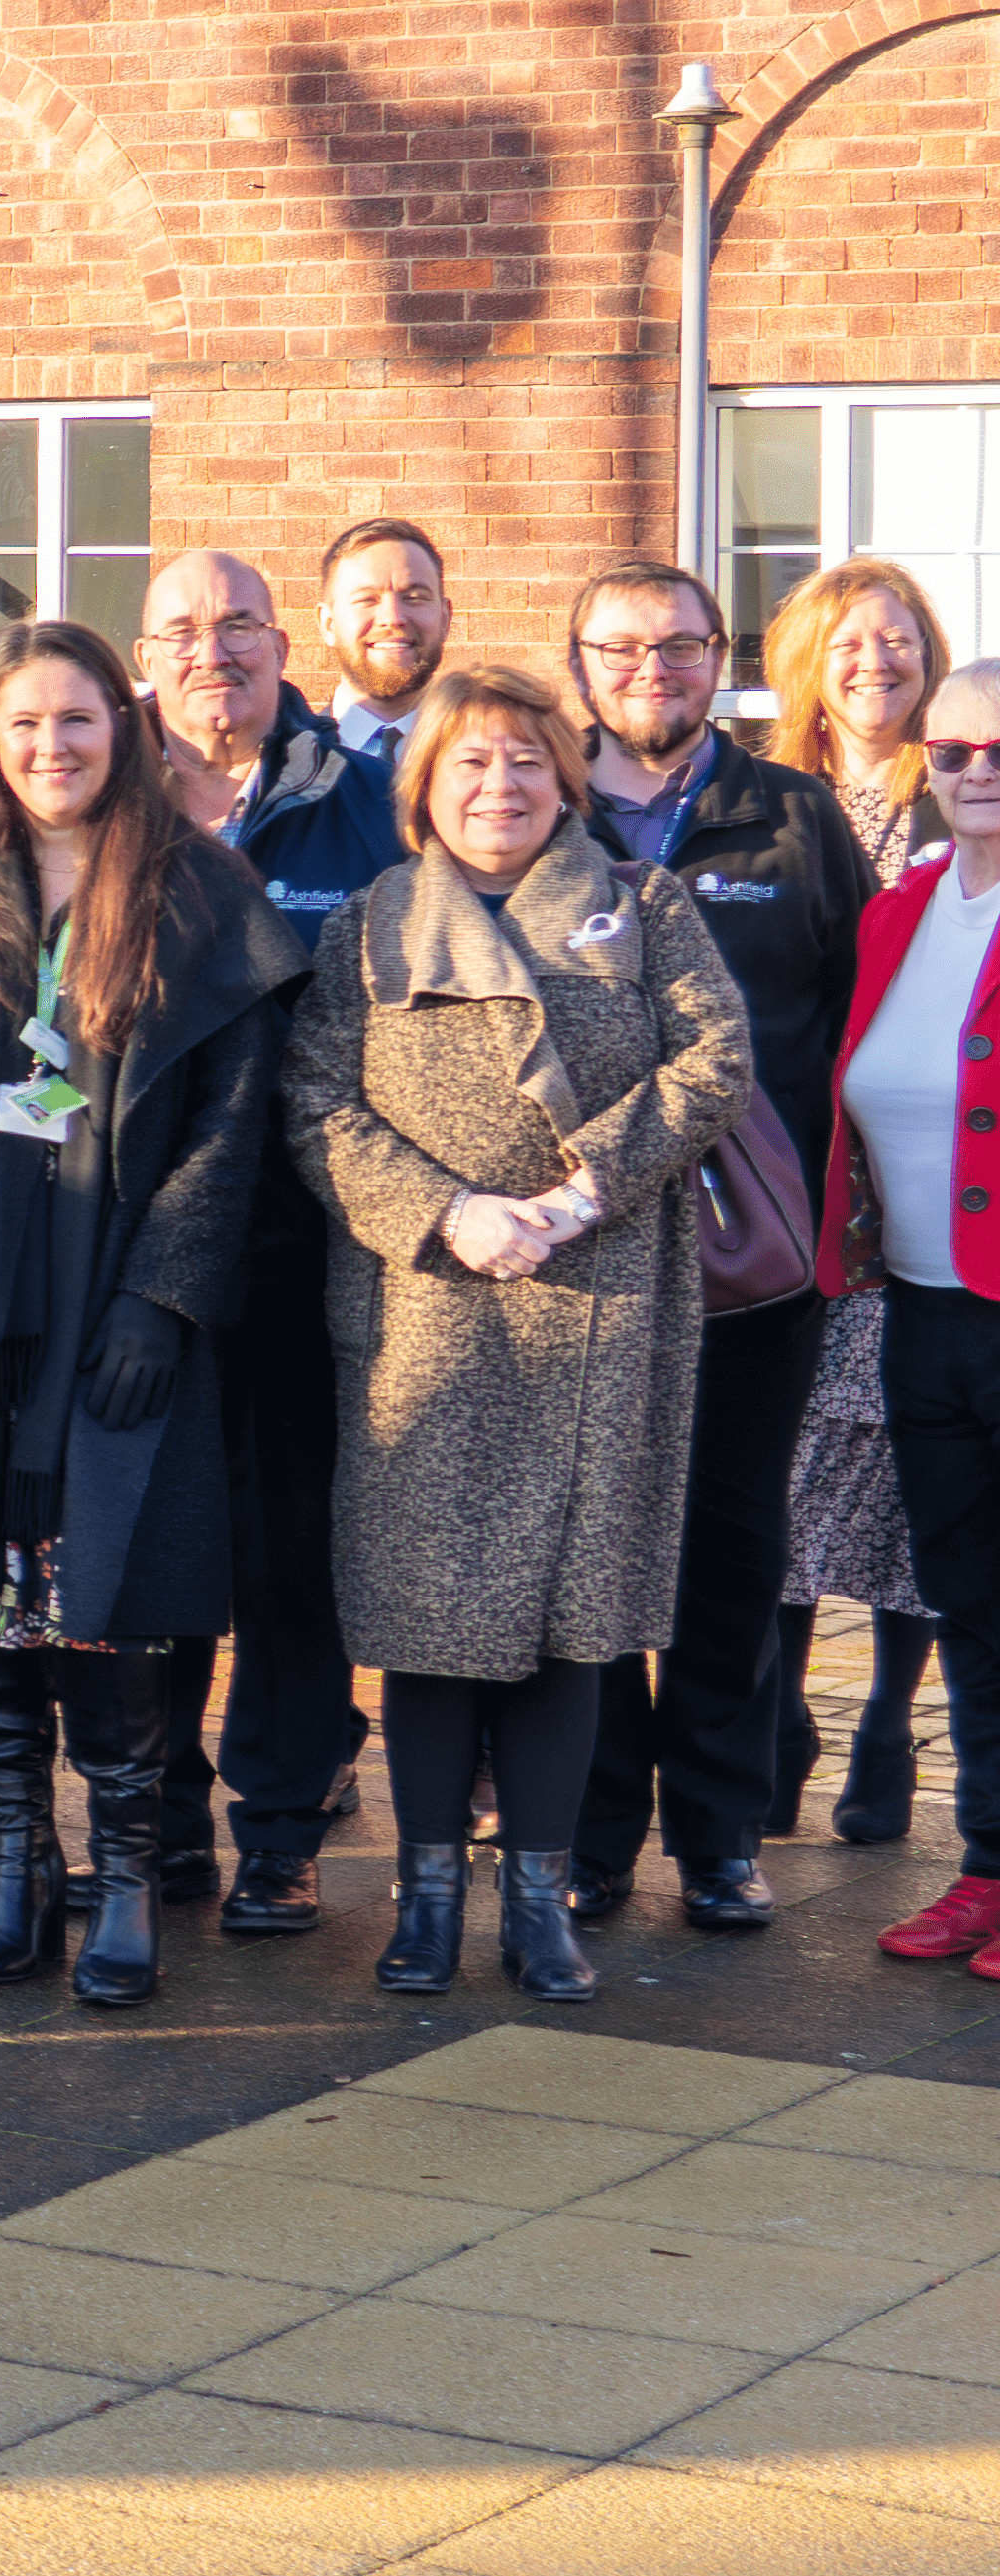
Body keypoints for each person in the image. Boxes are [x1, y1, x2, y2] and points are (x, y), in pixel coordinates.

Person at [0, 621, 300, 2010]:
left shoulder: (201, 893)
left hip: (116, 1287)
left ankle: (128, 1873)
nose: (50, 747)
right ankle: (18, 1863)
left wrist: (164, 1295)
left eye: (76, 719)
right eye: (22, 723)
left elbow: (236, 1123)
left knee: (111, 1592)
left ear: (123, 729)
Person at [288, 661, 747, 2005]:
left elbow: (717, 1061)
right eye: (471, 762)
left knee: (568, 1623)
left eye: (528, 759)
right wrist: (448, 1212)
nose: (501, 785)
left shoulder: (644, 906)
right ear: (423, 784)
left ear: (567, 777)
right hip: (425, 1315)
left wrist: (584, 1189)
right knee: (428, 1622)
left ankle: (541, 1905)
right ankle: (428, 1900)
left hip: (601, 1302)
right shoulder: (371, 922)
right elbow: (316, 1100)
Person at [562, 556, 871, 1931]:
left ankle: (720, 1835)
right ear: (579, 665)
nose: (653, 671)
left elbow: (856, 1025)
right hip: (582, 1252)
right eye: (622, 649)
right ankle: (592, 1829)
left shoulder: (793, 816)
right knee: (588, 1549)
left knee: (734, 1554)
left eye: (680, 646)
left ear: (719, 659)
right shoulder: (537, 809)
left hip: (757, 1264)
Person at [136, 547, 407, 1934]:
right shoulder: (100, 802)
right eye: (182, 629)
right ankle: (157, 1816)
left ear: (285, 646)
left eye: (239, 623)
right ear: (144, 658)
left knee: (294, 1554)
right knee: (150, 1542)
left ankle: (283, 1828)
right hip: (133, 1249)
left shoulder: (367, 807)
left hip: (312, 1246)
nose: (213, 651)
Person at [766, 559, 952, 1850]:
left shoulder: (966, 794)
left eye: (895, 642)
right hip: (790, 1175)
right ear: (807, 664)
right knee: (779, 1458)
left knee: (909, 1458)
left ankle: (887, 1719)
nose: (873, 663)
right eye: (848, 642)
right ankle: (777, 1715)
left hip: (923, 1181)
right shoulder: (769, 801)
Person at [829, 665, 1000, 1987]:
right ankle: (988, 1864)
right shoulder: (898, 911)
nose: (979, 771)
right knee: (969, 1600)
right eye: (954, 750)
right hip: (921, 1311)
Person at [314, 518, 456, 767]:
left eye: (414, 597)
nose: (393, 618)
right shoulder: (279, 768)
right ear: (328, 624)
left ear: (445, 618)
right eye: (367, 600)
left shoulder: (488, 765)